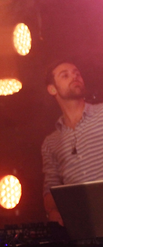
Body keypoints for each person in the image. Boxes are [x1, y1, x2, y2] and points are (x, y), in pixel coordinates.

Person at [41, 61, 103, 225]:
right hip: (83, 229)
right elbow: (51, 187)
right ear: (52, 89)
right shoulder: (51, 143)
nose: (74, 76)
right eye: (65, 75)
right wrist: (53, 212)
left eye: (76, 73)